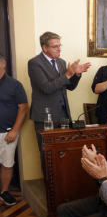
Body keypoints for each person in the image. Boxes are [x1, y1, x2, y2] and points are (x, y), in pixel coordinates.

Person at [28, 31, 91, 151]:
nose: (59, 49)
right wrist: (67, 75)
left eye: (59, 46)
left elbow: (70, 87)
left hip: (63, 114)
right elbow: (46, 88)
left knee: (64, 151)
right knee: (47, 153)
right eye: (55, 46)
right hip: (45, 116)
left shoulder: (61, 62)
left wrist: (76, 75)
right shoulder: (35, 63)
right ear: (44, 48)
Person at [0, 53, 28, 206]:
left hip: (7, 132)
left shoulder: (15, 84)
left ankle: (4, 192)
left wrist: (14, 131)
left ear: (3, 64)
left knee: (7, 163)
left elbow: (23, 108)